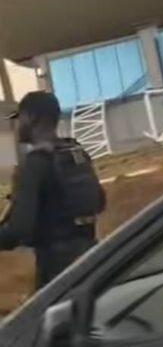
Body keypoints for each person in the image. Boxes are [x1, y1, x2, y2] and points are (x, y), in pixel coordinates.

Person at [0, 91, 106, 289]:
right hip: (91, 258)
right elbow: (99, 201)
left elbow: (19, 229)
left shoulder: (33, 164)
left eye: (20, 117)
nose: (17, 125)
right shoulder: (75, 151)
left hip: (55, 269)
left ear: (31, 117)